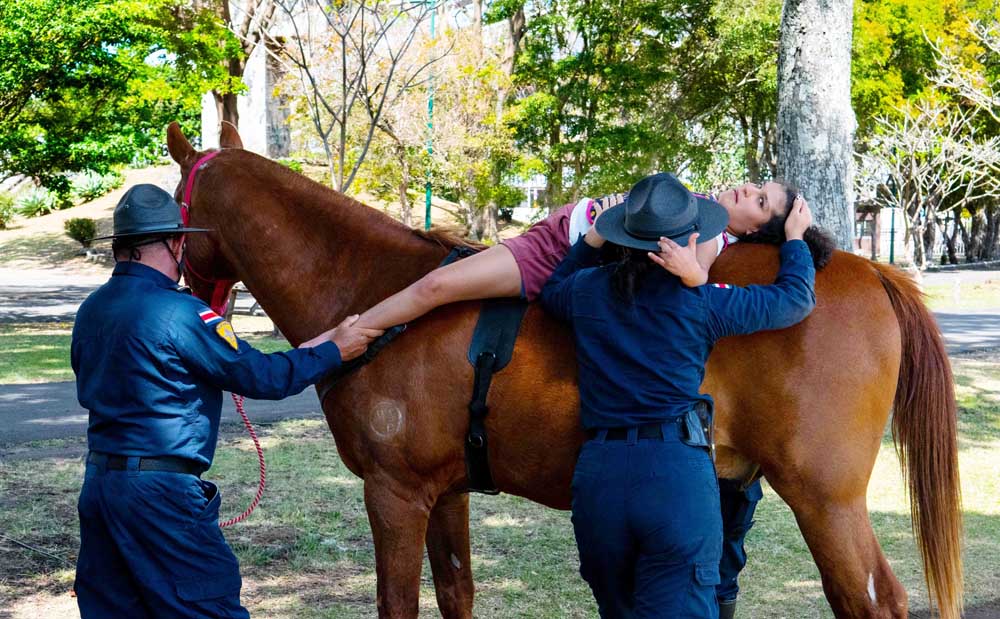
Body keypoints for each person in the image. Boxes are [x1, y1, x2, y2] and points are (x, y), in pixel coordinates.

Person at [71, 184, 383, 618]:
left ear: (120, 247)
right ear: (176, 242)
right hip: (161, 496)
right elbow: (262, 377)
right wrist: (337, 351)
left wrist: (325, 340)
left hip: (101, 488)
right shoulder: (181, 313)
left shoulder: (92, 309)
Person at [539, 172, 816, 618]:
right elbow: (796, 298)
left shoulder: (587, 291)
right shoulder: (703, 303)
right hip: (674, 478)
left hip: (599, 480)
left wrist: (590, 240)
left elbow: (551, 291)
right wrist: (795, 239)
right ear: (689, 238)